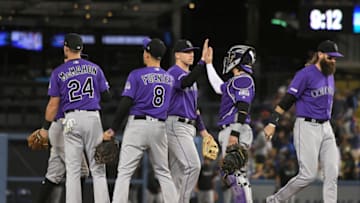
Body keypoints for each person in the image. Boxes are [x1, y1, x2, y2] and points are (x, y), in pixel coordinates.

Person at [263, 40, 343, 203]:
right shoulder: (305, 74)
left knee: (332, 173)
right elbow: (287, 100)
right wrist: (272, 123)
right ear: (320, 55)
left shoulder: (330, 75)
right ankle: (275, 200)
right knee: (307, 175)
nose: (333, 61)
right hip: (307, 126)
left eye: (335, 58)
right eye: (330, 57)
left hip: (326, 127)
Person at [36, 33, 112, 203]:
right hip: (92, 117)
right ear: (81, 49)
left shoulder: (59, 72)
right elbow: (107, 97)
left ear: (65, 48)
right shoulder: (94, 68)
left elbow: (53, 105)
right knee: (98, 169)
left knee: (73, 170)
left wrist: (44, 128)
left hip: (69, 120)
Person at [102, 38, 179, 203]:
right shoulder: (170, 79)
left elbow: (125, 103)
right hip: (159, 127)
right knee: (163, 172)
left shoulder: (137, 74)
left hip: (138, 125)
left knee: (124, 172)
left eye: (145, 50)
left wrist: (113, 128)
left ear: (148, 54)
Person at [204, 42, 257, 202]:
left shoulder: (243, 80)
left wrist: (234, 133)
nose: (229, 60)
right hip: (233, 129)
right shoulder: (237, 80)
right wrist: (208, 64)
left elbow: (243, 107)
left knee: (236, 173)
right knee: (229, 173)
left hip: (235, 129)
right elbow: (218, 87)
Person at [166, 39, 214, 203]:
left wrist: (204, 131)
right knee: (193, 166)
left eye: (192, 52)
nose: (191, 55)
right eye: (187, 52)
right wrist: (202, 62)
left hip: (188, 127)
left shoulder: (190, 77)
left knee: (177, 174)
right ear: (177, 55)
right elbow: (185, 82)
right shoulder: (173, 72)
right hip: (175, 125)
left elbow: (195, 109)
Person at [36, 58, 90, 203]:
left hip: (63, 124)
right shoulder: (72, 83)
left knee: (53, 175)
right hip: (62, 124)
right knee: (81, 170)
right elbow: (53, 105)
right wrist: (44, 129)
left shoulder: (62, 78)